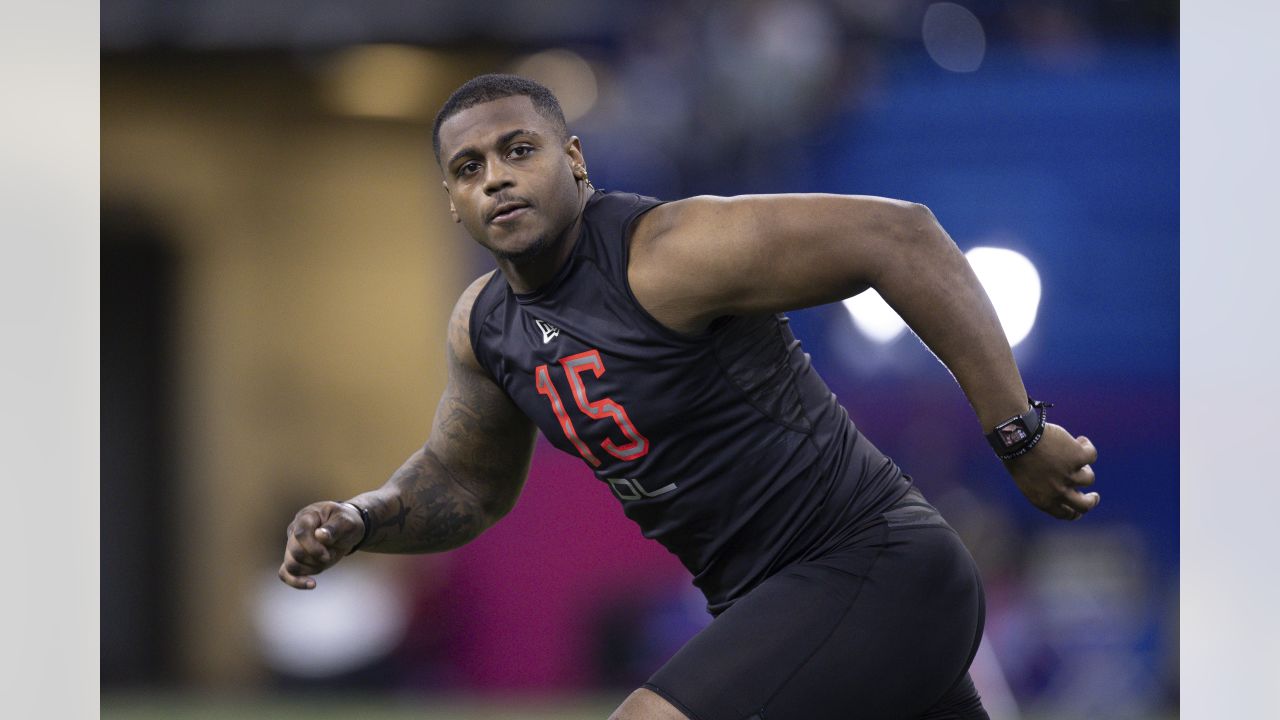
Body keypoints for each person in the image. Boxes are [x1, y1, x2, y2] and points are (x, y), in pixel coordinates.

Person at [278, 74, 1100, 720]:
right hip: (788, 610)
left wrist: (1019, 436)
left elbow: (901, 235)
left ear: (573, 160)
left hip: (874, 569)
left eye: (517, 150)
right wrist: (364, 518)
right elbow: (465, 486)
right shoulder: (484, 327)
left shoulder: (665, 253)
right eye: (469, 169)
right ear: (453, 205)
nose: (495, 178)